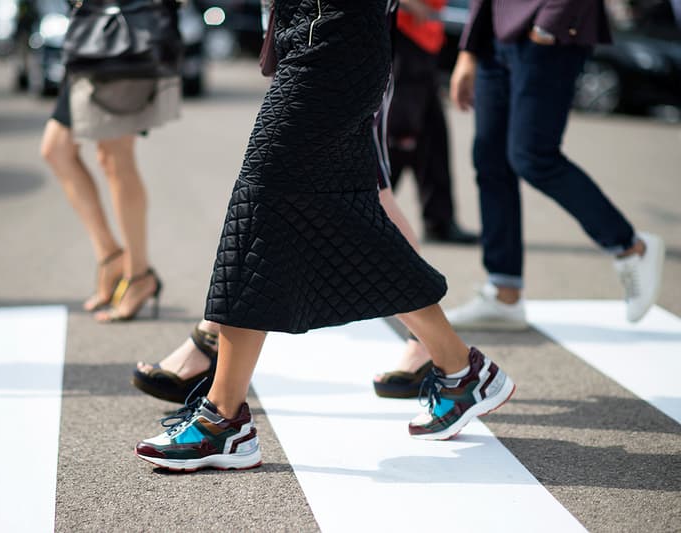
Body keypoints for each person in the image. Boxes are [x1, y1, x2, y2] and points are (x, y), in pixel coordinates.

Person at [134, 0, 515, 472]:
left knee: (258, 212)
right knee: (345, 223)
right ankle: (461, 369)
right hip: (321, 41)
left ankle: (223, 420)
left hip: (331, 45)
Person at [443, 0, 665, 330]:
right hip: (495, 36)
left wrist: (551, 24)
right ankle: (505, 294)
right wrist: (469, 50)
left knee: (533, 157)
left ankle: (632, 247)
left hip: (548, 32)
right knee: (490, 162)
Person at [40, 3, 180, 322]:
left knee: (115, 155)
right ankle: (111, 255)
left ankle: (138, 275)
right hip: (92, 27)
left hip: (124, 30)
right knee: (57, 149)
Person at [387, 0, 478, 244]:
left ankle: (439, 222)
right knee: (400, 136)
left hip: (425, 36)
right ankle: (368, 215)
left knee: (433, 137)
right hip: (403, 34)